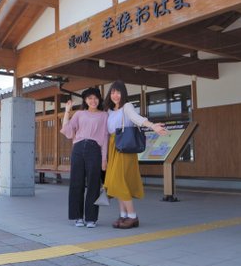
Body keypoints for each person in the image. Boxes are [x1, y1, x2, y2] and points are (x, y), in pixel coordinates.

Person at [103, 80, 168, 229]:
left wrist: (152, 126)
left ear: (123, 93)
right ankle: (123, 215)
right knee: (115, 183)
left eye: (118, 92)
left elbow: (136, 119)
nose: (115, 95)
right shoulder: (109, 111)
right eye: (113, 92)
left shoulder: (127, 106)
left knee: (119, 181)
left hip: (124, 148)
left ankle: (132, 216)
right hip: (113, 148)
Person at [60, 87, 108, 228]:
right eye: (89, 98)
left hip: (95, 149)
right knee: (76, 183)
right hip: (78, 148)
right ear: (85, 100)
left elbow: (105, 138)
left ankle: (91, 218)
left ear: (99, 100)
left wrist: (104, 159)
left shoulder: (104, 115)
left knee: (94, 184)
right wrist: (67, 111)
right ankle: (77, 217)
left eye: (95, 98)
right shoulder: (80, 114)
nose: (93, 101)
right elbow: (67, 130)